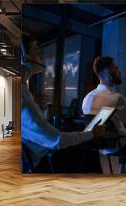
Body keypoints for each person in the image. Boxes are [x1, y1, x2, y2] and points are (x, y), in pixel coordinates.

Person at [21, 34, 105, 171]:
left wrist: (41, 109)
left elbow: (37, 130)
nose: (40, 54)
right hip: (42, 163)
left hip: (38, 156)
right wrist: (92, 134)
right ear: (24, 56)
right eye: (36, 50)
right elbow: (56, 140)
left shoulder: (23, 91)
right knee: (88, 151)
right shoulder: (23, 96)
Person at [82, 56, 126, 138]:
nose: (119, 71)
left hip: (97, 146)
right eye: (116, 68)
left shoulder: (87, 98)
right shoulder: (117, 98)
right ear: (106, 71)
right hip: (120, 145)